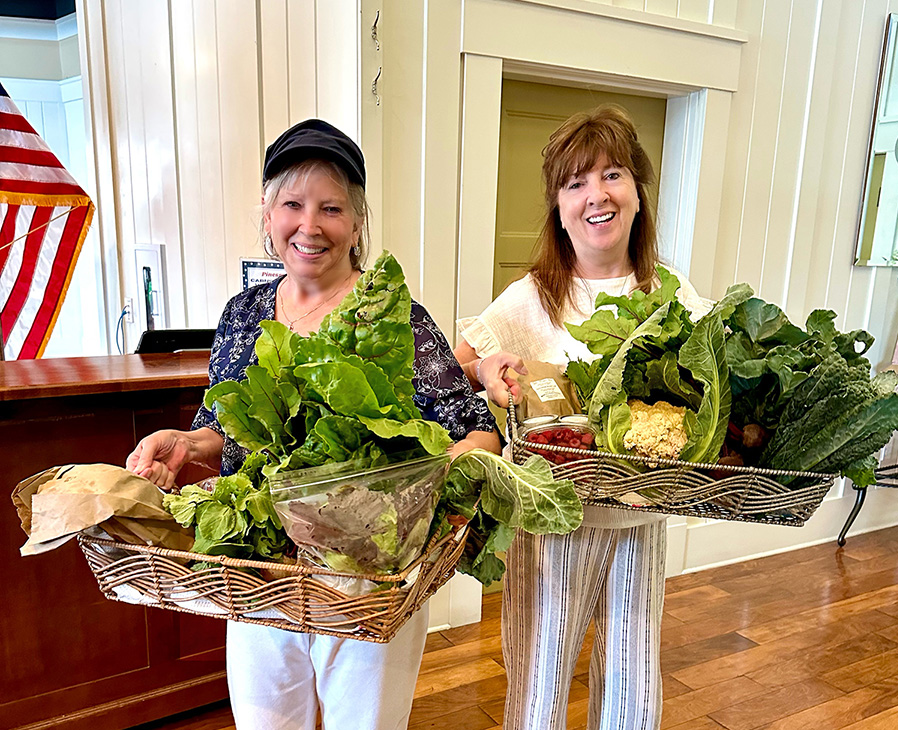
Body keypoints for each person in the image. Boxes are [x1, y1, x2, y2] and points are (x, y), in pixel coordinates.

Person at [126, 119, 500, 730]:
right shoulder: (245, 313)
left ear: (356, 223)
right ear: (268, 214)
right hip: (259, 574)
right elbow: (225, 427)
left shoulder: (390, 315)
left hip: (363, 581)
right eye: (292, 204)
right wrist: (187, 444)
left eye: (331, 207)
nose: (310, 224)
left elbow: (477, 430)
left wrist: (419, 486)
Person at [454, 105, 709, 730]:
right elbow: (457, 362)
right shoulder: (537, 294)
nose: (596, 196)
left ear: (638, 194)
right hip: (551, 523)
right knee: (539, 684)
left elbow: (719, 381)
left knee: (633, 688)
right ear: (558, 207)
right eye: (576, 182)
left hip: (641, 514)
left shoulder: (670, 293)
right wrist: (488, 373)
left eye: (612, 174)